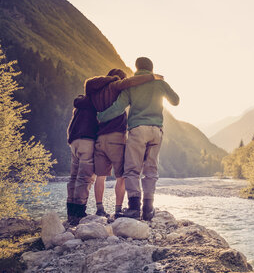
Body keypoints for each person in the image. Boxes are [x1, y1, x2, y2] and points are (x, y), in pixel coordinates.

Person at [97, 57, 179, 220]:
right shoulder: (160, 83)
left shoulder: (131, 85)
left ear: (136, 68)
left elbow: (118, 108)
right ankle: (148, 209)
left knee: (132, 169)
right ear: (151, 68)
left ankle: (134, 208)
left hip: (137, 130)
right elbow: (175, 101)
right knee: (151, 169)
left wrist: (100, 116)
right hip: (157, 130)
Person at [86, 69, 163, 217]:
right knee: (121, 176)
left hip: (99, 139)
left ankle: (100, 209)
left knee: (100, 177)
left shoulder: (96, 93)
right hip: (116, 139)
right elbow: (129, 83)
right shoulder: (115, 89)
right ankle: (118, 209)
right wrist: (151, 77)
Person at [66, 94, 97, 225]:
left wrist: (70, 140)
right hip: (87, 140)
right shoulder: (96, 102)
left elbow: (71, 124)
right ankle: (79, 212)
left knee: (73, 176)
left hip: (74, 142)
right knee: (84, 178)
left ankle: (71, 212)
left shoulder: (79, 104)